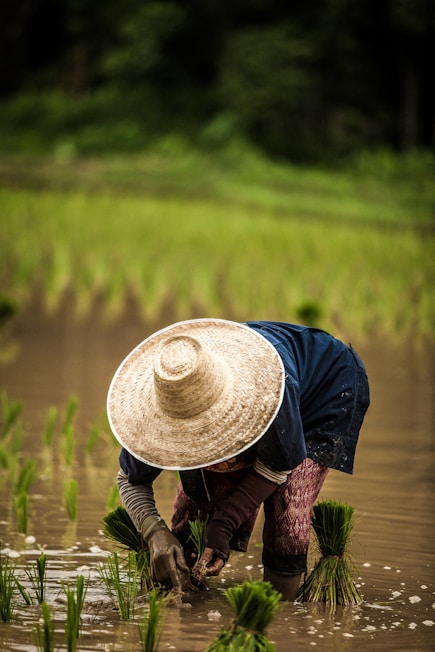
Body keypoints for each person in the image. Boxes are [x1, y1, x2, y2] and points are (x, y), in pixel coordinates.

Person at [107, 318, 370, 600]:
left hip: (324, 391)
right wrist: (154, 533)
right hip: (248, 389)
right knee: (197, 508)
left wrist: (225, 523)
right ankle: (188, 595)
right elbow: (129, 479)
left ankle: (277, 612)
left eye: (204, 430)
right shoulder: (158, 409)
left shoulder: (268, 394)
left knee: (288, 509)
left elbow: (278, 465)